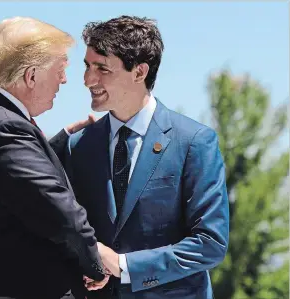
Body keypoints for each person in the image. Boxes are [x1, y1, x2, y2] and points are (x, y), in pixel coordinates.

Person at [0, 17, 108, 299]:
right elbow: (58, 211)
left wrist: (62, 140)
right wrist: (95, 261)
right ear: (31, 76)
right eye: (60, 69)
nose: (65, 80)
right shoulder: (2, 126)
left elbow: (8, 179)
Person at [60, 15, 230, 298]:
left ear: (139, 72)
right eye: (87, 66)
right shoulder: (78, 146)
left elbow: (209, 244)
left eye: (102, 68)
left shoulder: (194, 142)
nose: (88, 79)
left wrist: (124, 266)